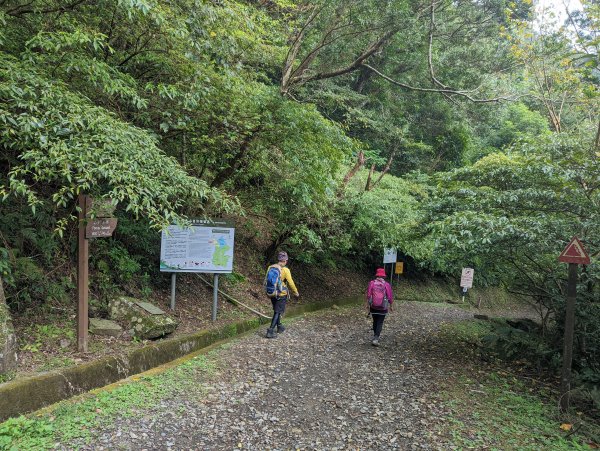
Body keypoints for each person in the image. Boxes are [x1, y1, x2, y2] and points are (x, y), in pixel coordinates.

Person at [265, 251, 299, 338]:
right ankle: (270, 331)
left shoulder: (271, 267)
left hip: (272, 293)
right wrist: (296, 292)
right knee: (278, 311)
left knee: (277, 310)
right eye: (286, 260)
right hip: (281, 294)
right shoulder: (285, 270)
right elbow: (291, 283)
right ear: (285, 261)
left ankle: (279, 326)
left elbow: (266, 280)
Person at [366, 267, 393, 346]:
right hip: (383, 307)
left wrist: (367, 304)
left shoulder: (372, 283)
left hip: (373, 306)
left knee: (375, 321)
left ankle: (375, 336)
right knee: (380, 322)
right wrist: (391, 305)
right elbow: (390, 296)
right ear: (384, 276)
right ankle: (376, 338)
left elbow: (368, 294)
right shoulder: (386, 285)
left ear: (377, 275)